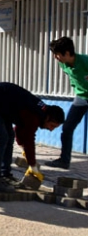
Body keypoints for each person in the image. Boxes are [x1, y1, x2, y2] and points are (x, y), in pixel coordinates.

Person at [0, 82, 65, 192]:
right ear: (48, 118)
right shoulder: (34, 115)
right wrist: (32, 164)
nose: (51, 130)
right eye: (52, 126)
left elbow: (19, 130)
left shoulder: (39, 112)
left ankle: (5, 175)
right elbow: (28, 139)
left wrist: (23, 148)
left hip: (0, 107)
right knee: (1, 138)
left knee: (9, 136)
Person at [46, 36, 87, 169]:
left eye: (57, 54)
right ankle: (64, 161)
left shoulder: (85, 61)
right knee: (67, 128)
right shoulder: (63, 64)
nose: (55, 58)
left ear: (68, 53)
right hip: (81, 97)